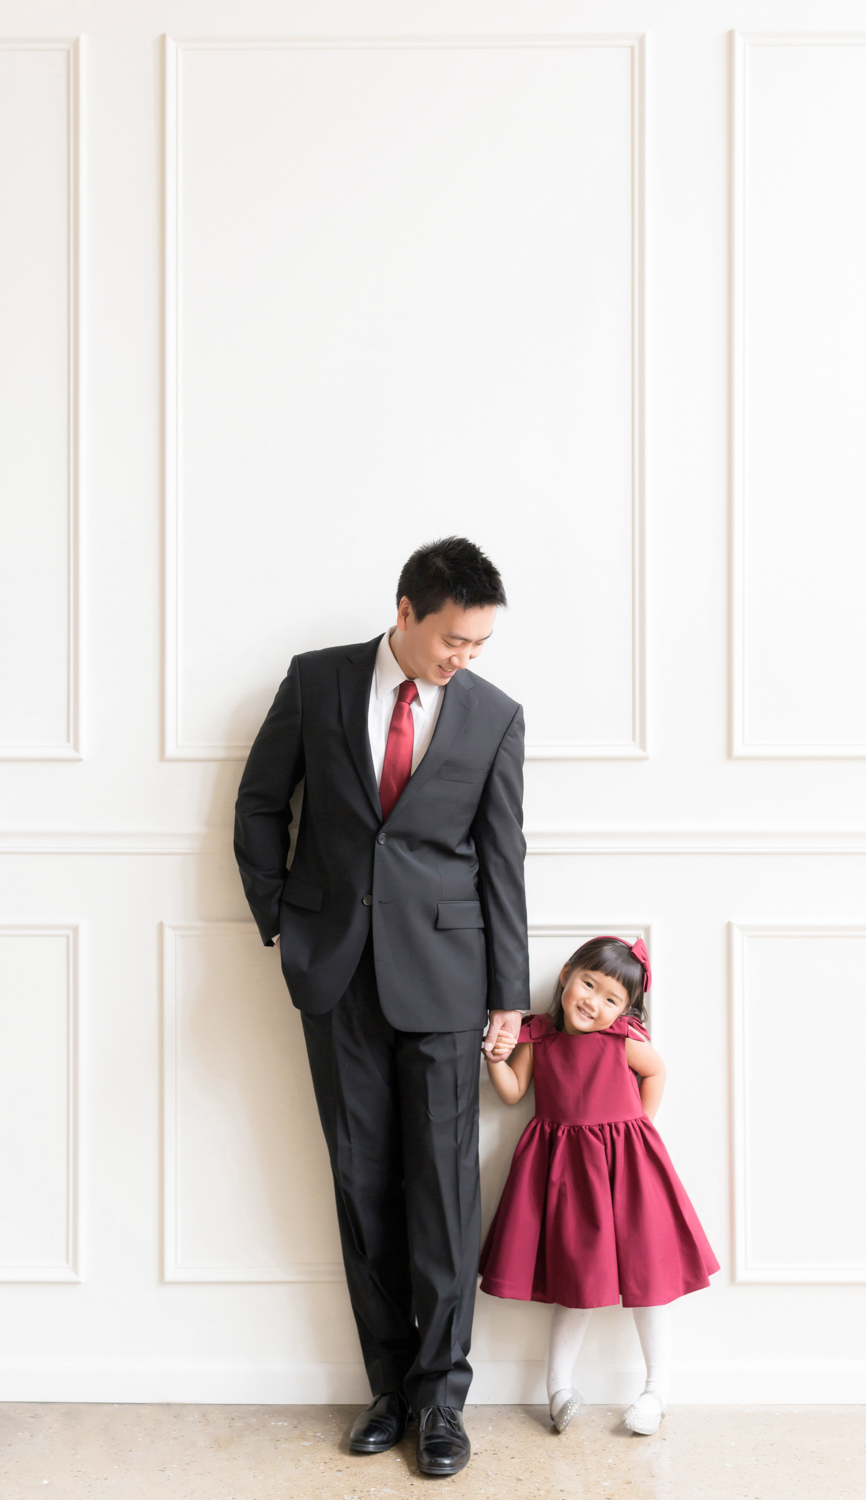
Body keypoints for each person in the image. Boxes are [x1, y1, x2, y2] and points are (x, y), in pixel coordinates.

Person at [234, 537, 528, 1478]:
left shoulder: (493, 717)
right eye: (453, 640)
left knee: (442, 1196)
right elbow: (259, 803)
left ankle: (442, 1403)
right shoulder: (316, 682)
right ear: (405, 611)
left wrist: (506, 999)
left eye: (479, 645)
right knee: (362, 1188)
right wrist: (281, 920)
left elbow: (503, 862)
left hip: (445, 984)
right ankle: (389, 1385)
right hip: (336, 973)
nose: (464, 658)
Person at [479, 935, 718, 1435]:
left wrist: (638, 1130)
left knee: (648, 1279)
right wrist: (495, 1058)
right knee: (575, 1278)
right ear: (567, 973)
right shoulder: (537, 1036)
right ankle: (559, 1389)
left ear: (626, 1009)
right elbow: (512, 1094)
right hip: (566, 1171)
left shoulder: (623, 1040)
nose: (594, 1002)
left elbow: (656, 1071)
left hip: (628, 1167)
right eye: (589, 984)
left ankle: (656, 1390)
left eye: (612, 999)